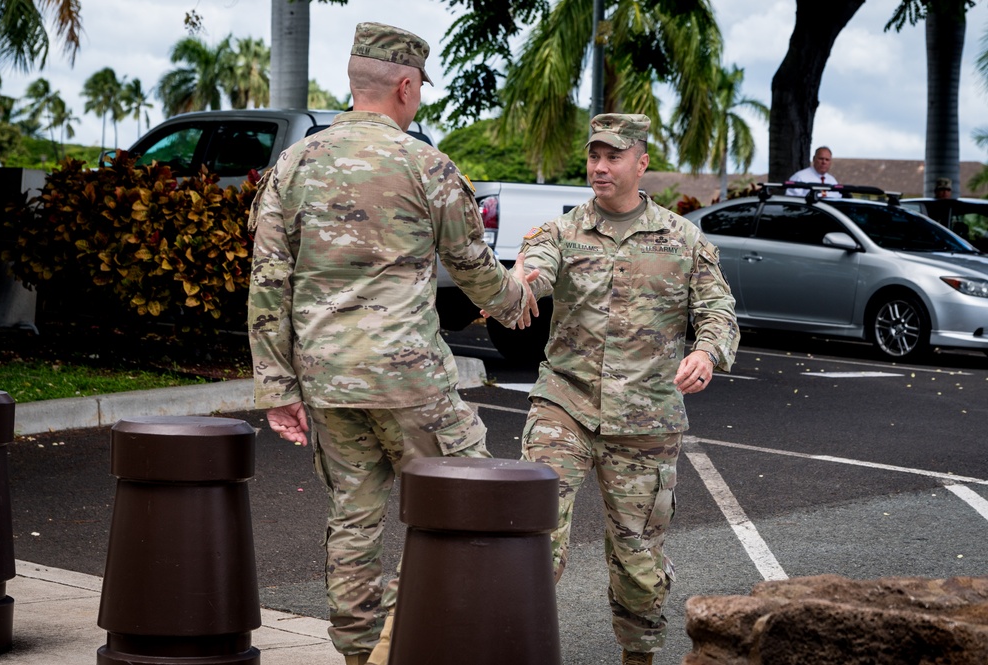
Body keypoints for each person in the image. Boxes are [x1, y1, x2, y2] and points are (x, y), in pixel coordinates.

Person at [247, 22, 537, 665]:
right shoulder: (425, 165)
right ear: (405, 85)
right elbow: (473, 268)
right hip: (409, 378)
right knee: (464, 491)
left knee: (353, 516)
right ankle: (398, 642)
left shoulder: (292, 164)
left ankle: (357, 652)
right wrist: (518, 303)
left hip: (326, 380)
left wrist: (276, 389)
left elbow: (267, 283)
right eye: (420, 89)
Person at [500, 114, 739, 665]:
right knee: (534, 541)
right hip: (564, 405)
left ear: (641, 163)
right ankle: (513, 648)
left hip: (647, 420)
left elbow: (717, 309)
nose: (600, 168)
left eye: (613, 157)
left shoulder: (683, 239)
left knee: (638, 562)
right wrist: (517, 287)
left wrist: (706, 351)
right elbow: (530, 274)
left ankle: (640, 657)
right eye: (593, 156)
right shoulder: (559, 232)